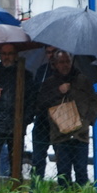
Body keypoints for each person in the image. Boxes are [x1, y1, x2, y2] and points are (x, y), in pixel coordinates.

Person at [37, 50, 97, 188]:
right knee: (63, 172)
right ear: (55, 64)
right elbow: (41, 103)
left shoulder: (83, 80)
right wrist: (59, 92)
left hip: (80, 134)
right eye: (61, 62)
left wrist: (88, 121)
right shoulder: (49, 83)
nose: (65, 65)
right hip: (60, 134)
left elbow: (94, 102)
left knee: (81, 171)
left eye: (67, 62)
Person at [0, 44, 34, 190]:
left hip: (17, 124)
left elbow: (31, 101)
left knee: (16, 160)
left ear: (15, 55)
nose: (7, 57)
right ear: (0, 55)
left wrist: (24, 121)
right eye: (4, 53)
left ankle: (16, 190)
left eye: (10, 53)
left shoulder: (25, 74)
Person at [29, 45, 59, 181]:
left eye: (54, 52)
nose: (51, 56)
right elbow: (34, 93)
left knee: (62, 158)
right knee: (38, 157)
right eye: (48, 53)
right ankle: (35, 188)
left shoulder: (68, 72)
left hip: (60, 120)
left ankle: (64, 187)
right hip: (42, 119)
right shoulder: (42, 70)